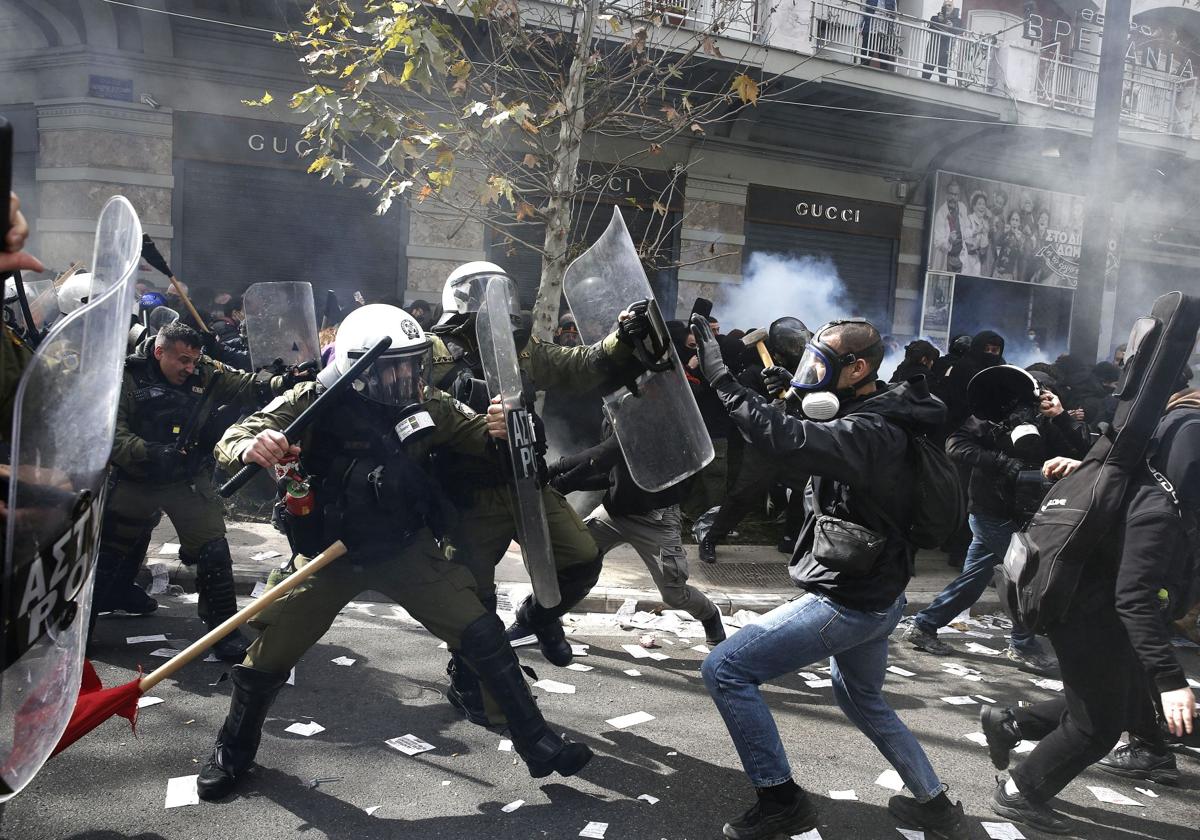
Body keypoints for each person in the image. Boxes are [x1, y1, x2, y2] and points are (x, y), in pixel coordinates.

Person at [195, 305, 592, 800]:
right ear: (360, 368)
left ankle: (537, 742)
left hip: (404, 549)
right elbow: (238, 434)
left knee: (481, 631)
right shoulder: (317, 400)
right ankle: (231, 752)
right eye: (394, 367)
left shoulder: (427, 403)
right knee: (266, 659)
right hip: (330, 557)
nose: (409, 376)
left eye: (414, 363)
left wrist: (508, 427)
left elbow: (482, 440)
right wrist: (257, 444)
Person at [691, 317, 970, 840]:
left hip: (849, 601)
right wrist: (795, 398)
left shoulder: (873, 433)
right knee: (861, 698)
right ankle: (935, 805)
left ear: (858, 368)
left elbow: (794, 442)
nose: (808, 374)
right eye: (806, 363)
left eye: (820, 365)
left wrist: (725, 383)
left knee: (725, 669)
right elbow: (819, 430)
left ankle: (781, 802)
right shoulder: (885, 411)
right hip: (884, 595)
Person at [428, 262, 647, 725]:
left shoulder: (521, 348)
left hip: (526, 479)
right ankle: (467, 678)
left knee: (582, 558)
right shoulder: (433, 354)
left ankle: (539, 617)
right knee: (472, 598)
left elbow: (581, 365)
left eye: (502, 294)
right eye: (485, 296)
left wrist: (622, 337)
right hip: (469, 497)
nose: (498, 306)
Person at [980, 379, 1199, 834]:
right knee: (1097, 726)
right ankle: (1022, 790)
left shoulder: (1142, 478)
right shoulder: (1161, 510)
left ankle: (1012, 722)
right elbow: (1135, 599)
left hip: (1089, 602)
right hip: (1087, 609)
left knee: (1108, 697)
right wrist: (1171, 680)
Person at [92, 322, 303, 659]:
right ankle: (84, 626)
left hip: (185, 479)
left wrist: (284, 381)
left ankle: (222, 633)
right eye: (183, 360)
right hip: (137, 478)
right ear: (160, 352)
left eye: (195, 360)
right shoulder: (126, 378)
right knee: (110, 552)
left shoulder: (205, 372)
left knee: (213, 550)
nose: (190, 368)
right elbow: (109, 433)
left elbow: (242, 385)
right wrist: (150, 452)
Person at [899, 369, 1088, 672]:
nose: (1034, 403)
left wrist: (1061, 416)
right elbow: (956, 445)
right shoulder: (992, 416)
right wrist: (1002, 462)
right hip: (991, 511)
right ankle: (1022, 645)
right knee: (1027, 575)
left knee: (974, 580)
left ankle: (924, 624)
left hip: (1025, 512)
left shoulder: (1049, 420)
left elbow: (1083, 452)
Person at [537, 428, 728, 645]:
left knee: (674, 595)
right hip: (614, 513)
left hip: (656, 521)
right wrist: (562, 484)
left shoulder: (657, 419)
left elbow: (601, 454)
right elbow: (611, 472)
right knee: (569, 560)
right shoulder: (617, 412)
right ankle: (542, 619)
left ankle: (710, 617)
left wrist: (556, 472)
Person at [923, 0, 962, 82]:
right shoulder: (935, 18)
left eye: (949, 5)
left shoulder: (957, 21)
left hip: (946, 49)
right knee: (926, 73)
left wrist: (952, 26)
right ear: (942, 7)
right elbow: (930, 29)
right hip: (933, 48)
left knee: (943, 75)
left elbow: (960, 31)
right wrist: (939, 21)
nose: (947, 7)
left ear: (953, 8)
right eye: (945, 5)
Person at [930, 182, 965, 273]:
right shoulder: (941, 213)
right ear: (946, 194)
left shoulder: (963, 208)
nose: (953, 197)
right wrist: (949, 240)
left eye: (955, 195)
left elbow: (967, 228)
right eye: (951, 194)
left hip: (961, 258)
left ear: (959, 196)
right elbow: (937, 242)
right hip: (947, 258)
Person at [960, 191, 991, 277]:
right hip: (966, 259)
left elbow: (983, 250)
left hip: (977, 261)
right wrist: (975, 231)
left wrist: (985, 235)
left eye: (984, 204)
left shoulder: (985, 224)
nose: (982, 207)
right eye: (979, 204)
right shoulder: (969, 219)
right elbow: (967, 241)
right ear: (974, 207)